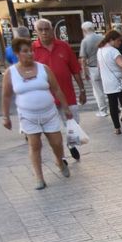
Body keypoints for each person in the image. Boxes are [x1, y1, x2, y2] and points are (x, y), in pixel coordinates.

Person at [1, 38, 73, 190]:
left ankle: (59, 161)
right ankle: (39, 177)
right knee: (35, 145)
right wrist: (5, 116)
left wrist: (66, 108)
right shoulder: (11, 72)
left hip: (49, 112)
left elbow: (57, 89)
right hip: (28, 115)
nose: (30, 54)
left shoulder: (43, 68)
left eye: (31, 50)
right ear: (17, 54)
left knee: (57, 142)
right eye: (25, 51)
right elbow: (6, 95)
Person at [32, 18, 86, 161]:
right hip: (46, 97)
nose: (44, 32)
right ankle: (60, 156)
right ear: (36, 32)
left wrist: (82, 89)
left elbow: (75, 69)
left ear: (52, 30)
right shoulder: (33, 49)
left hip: (67, 94)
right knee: (53, 129)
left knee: (73, 123)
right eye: (41, 29)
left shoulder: (63, 46)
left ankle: (72, 145)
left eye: (47, 29)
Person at [79, 21, 108, 117]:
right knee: (109, 88)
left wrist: (84, 72)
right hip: (105, 66)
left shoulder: (85, 41)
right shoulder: (102, 38)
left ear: (84, 30)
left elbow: (83, 59)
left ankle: (103, 110)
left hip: (93, 67)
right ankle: (116, 107)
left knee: (98, 91)